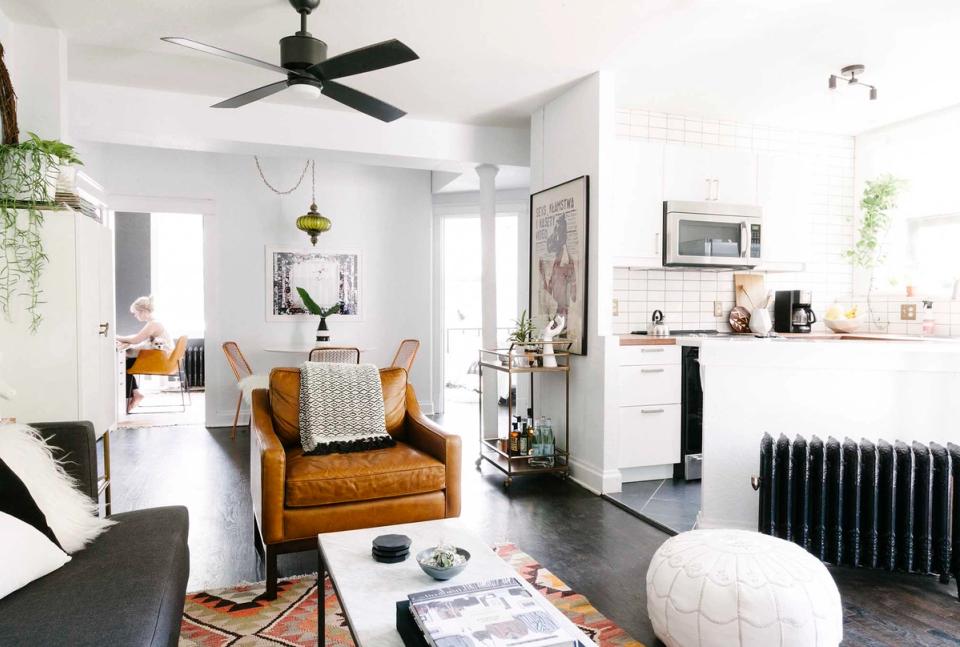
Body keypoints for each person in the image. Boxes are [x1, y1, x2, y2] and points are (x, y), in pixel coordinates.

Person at [116, 296, 174, 413]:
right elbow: (137, 338)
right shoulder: (154, 323)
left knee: (121, 366)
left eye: (135, 313)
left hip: (161, 361)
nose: (135, 316)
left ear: (142, 311)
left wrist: (116, 337)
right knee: (126, 365)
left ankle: (132, 397)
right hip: (164, 360)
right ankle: (136, 393)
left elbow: (136, 339)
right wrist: (125, 341)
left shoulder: (153, 324)